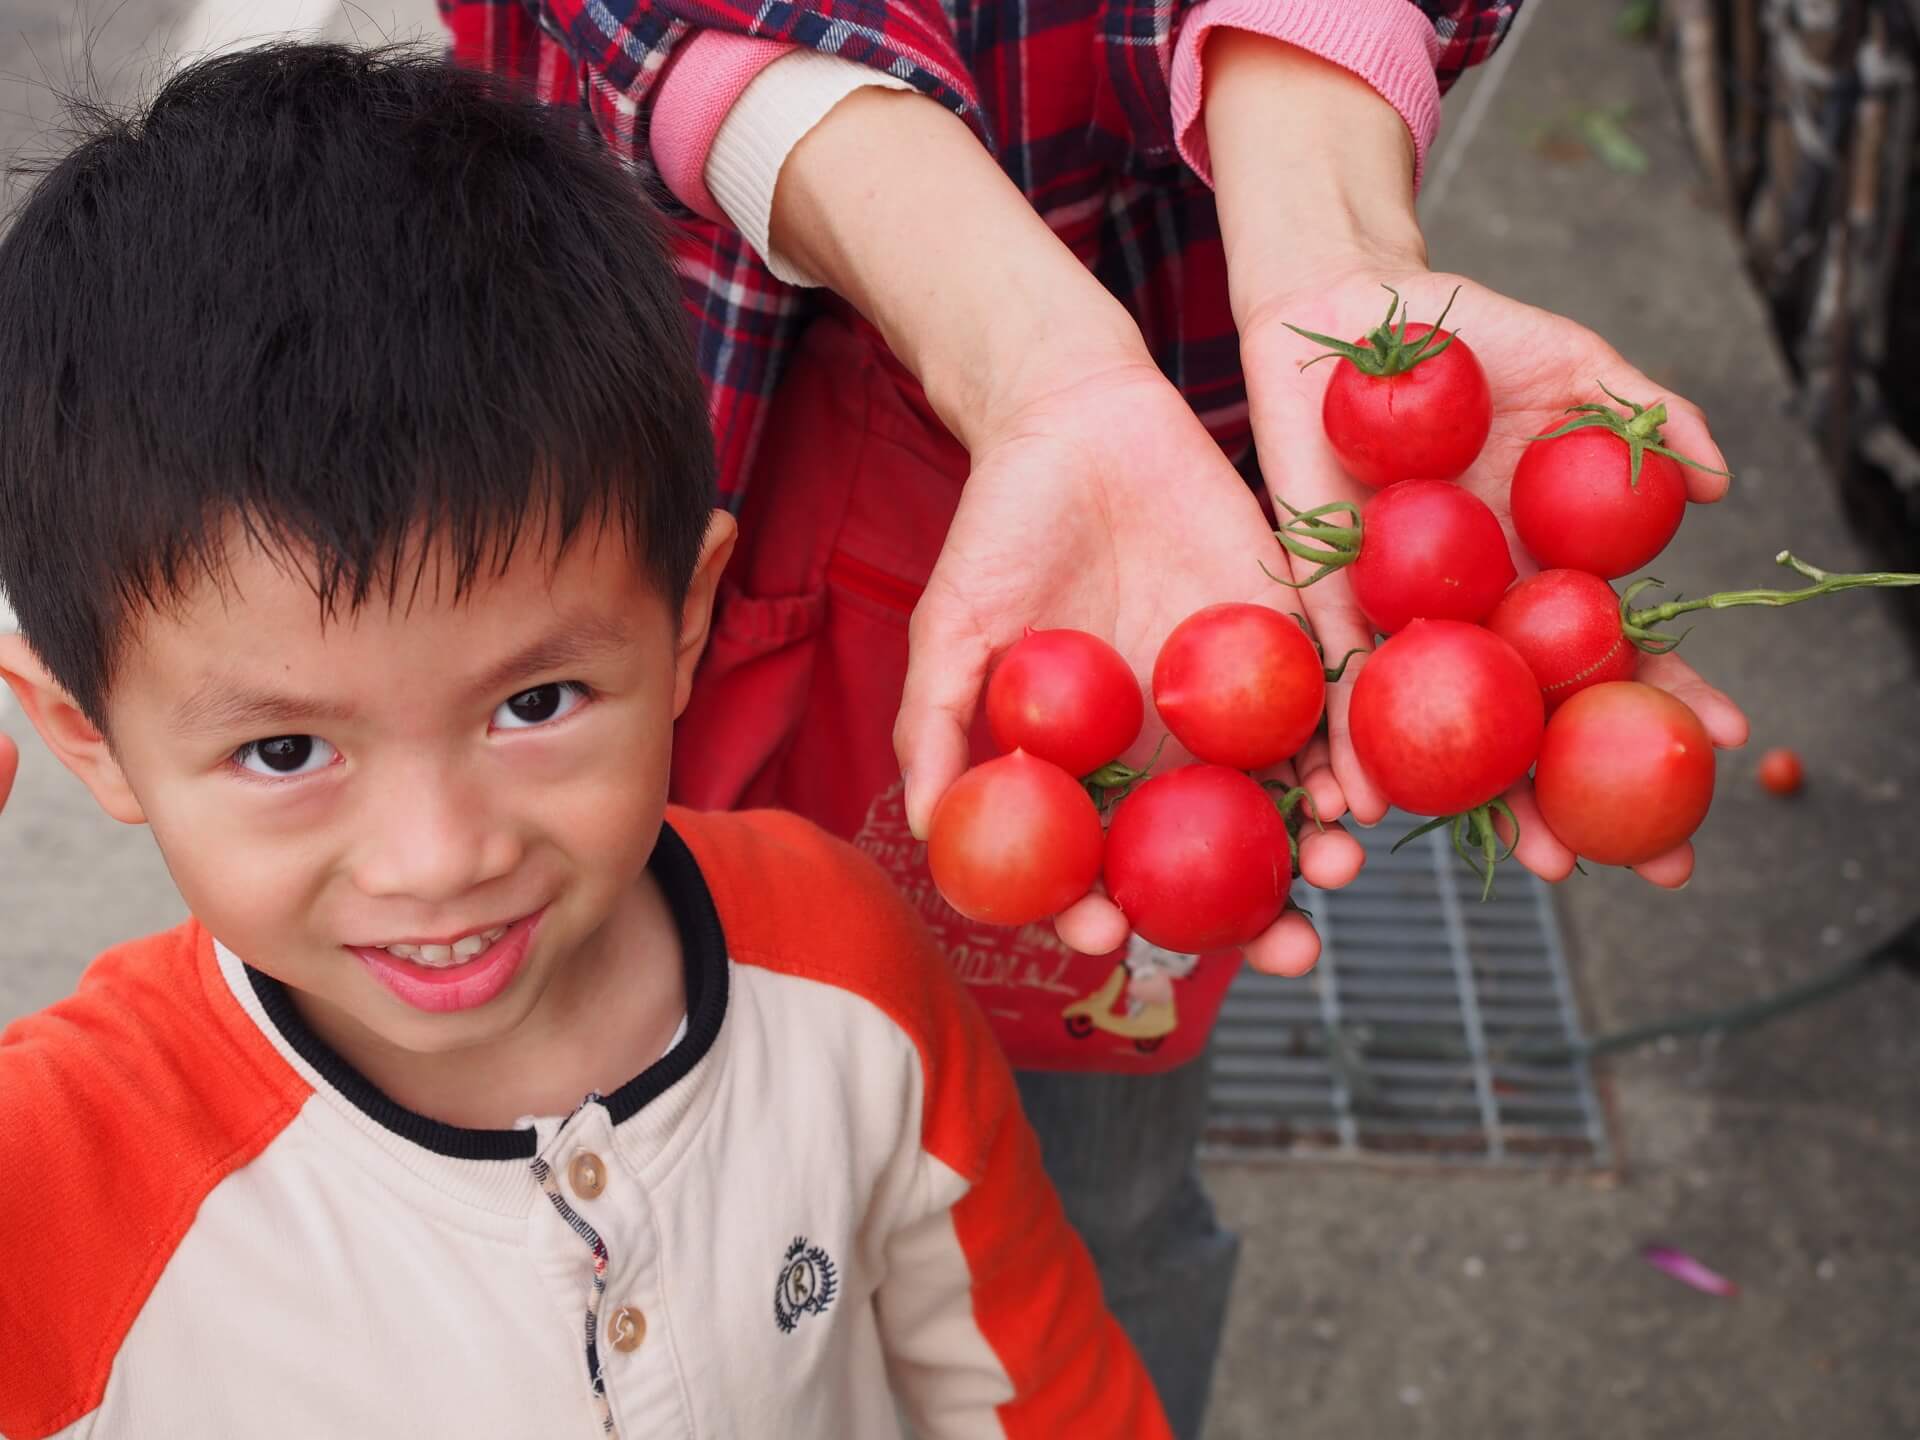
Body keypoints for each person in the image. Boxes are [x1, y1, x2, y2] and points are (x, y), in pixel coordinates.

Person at [440, 1, 1751, 1432]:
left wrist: (1328, 240)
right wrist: (1038, 360)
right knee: (632, 1138)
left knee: (1087, 1194)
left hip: (1167, 508)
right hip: (678, 411)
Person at [0, 44, 1171, 1439]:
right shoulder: (58, 1178)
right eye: (287, 752)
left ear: (684, 626)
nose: (439, 860)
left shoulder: (841, 952)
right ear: (89, 738)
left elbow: (1038, 1386)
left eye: (534, 705)